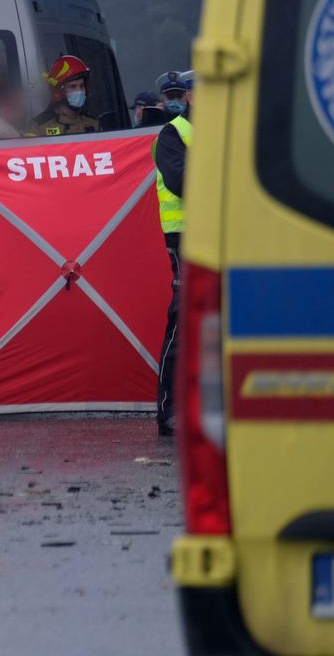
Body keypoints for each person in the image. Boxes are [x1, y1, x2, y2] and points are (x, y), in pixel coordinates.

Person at [153, 71, 193, 437]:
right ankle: (169, 410)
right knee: (184, 318)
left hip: (224, 232)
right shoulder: (173, 133)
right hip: (184, 238)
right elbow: (181, 181)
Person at [30, 55, 100, 136]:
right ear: (58, 92)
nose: (79, 91)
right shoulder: (38, 126)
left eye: (81, 86)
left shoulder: (93, 124)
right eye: (73, 86)